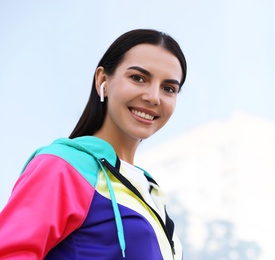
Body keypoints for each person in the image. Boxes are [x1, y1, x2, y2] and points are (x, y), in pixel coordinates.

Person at [0, 29, 187, 259]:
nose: (153, 97)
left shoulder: (151, 191)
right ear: (102, 80)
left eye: (168, 88)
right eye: (138, 78)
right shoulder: (63, 166)